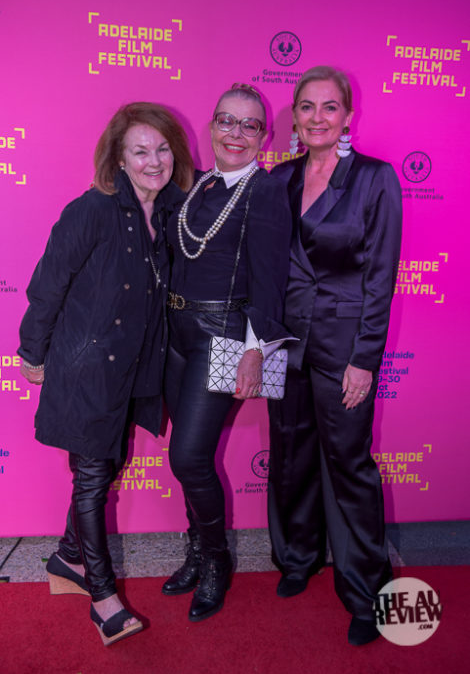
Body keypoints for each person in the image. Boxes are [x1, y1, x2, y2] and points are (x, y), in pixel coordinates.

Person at [18, 102, 194, 646]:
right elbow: (47, 286)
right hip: (88, 366)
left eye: (162, 149)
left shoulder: (171, 211)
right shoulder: (90, 210)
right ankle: (102, 596)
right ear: (118, 157)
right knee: (93, 478)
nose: (154, 161)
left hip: (135, 367)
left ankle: (69, 556)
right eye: (140, 151)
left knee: (109, 464)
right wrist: (32, 353)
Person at [267, 66, 402, 646]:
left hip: (344, 345)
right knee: (290, 454)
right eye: (306, 106)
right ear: (294, 117)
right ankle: (298, 557)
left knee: (348, 464)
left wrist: (364, 358)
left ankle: (366, 590)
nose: (317, 117)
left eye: (329, 107)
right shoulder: (280, 178)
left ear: (347, 115)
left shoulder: (374, 179)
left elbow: (381, 275)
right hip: (284, 342)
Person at [162, 84, 292, 622]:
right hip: (175, 333)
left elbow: (272, 276)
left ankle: (216, 559)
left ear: (265, 136)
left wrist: (256, 350)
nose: (236, 134)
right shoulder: (194, 183)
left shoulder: (266, 191)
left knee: (189, 457)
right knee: (186, 453)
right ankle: (196, 549)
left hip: (224, 334)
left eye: (249, 125)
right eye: (226, 121)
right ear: (211, 125)